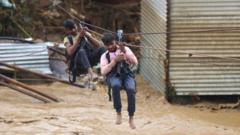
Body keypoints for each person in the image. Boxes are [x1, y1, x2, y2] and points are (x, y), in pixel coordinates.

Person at [100, 33, 138, 129]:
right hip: (113, 76)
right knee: (115, 85)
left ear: (115, 42)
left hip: (127, 74)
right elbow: (103, 72)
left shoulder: (125, 49)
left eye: (112, 43)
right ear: (105, 45)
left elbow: (135, 62)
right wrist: (114, 61)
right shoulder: (104, 56)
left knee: (131, 89)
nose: (110, 46)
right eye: (108, 45)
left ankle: (131, 117)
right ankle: (118, 112)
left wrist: (125, 52)